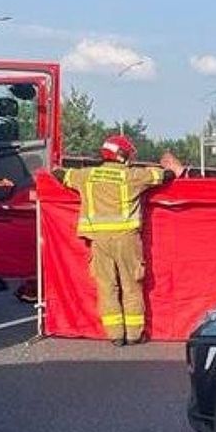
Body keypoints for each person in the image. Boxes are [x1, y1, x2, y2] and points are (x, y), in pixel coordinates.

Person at [55, 135, 176, 346]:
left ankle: (115, 335)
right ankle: (134, 334)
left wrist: (57, 167)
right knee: (131, 287)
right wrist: (171, 168)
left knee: (106, 287)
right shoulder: (132, 176)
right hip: (126, 239)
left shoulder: (87, 176)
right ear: (121, 155)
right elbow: (164, 177)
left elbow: (60, 175)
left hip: (98, 241)